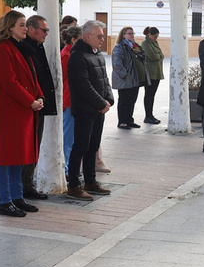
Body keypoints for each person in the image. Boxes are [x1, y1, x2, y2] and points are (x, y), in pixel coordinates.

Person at [0, 10, 44, 216]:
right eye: (22, 25)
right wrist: (30, 101)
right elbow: (9, 82)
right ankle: (5, 200)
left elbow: (32, 76)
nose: (25, 28)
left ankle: (17, 197)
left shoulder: (21, 48)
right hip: (10, 110)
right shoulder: (3, 49)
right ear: (10, 27)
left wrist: (39, 97)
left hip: (24, 109)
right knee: (6, 156)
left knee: (18, 156)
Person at [67, 20, 114, 200]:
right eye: (100, 36)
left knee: (93, 147)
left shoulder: (98, 54)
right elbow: (83, 85)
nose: (103, 39)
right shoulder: (78, 56)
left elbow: (104, 80)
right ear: (88, 36)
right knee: (80, 147)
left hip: (98, 110)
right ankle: (73, 185)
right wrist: (100, 103)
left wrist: (109, 100)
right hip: (85, 110)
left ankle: (90, 181)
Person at [19, 14, 58, 200]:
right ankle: (23, 186)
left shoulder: (37, 46)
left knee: (35, 145)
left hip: (38, 103)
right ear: (32, 29)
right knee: (27, 147)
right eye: (44, 30)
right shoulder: (24, 48)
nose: (46, 34)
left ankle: (27, 184)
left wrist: (42, 97)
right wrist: (33, 99)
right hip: (28, 105)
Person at [111, 26, 149, 129]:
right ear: (123, 35)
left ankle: (129, 120)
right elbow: (117, 64)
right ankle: (122, 121)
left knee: (132, 101)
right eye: (129, 33)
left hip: (135, 79)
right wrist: (125, 75)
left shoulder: (133, 46)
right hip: (126, 79)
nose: (132, 35)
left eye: (133, 33)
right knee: (124, 101)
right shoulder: (120, 47)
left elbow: (143, 56)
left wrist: (138, 49)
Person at [60, 25, 82, 173]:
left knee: (72, 137)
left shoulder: (72, 53)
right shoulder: (67, 56)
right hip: (69, 100)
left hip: (73, 100)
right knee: (68, 138)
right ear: (74, 40)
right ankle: (66, 168)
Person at [141, 26, 164, 125]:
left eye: (157, 36)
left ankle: (151, 115)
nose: (156, 38)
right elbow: (153, 56)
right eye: (154, 36)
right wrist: (159, 56)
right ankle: (148, 115)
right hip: (150, 73)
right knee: (149, 95)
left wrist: (159, 56)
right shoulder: (145, 43)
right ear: (149, 35)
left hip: (157, 72)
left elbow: (162, 55)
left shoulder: (154, 42)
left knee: (152, 95)